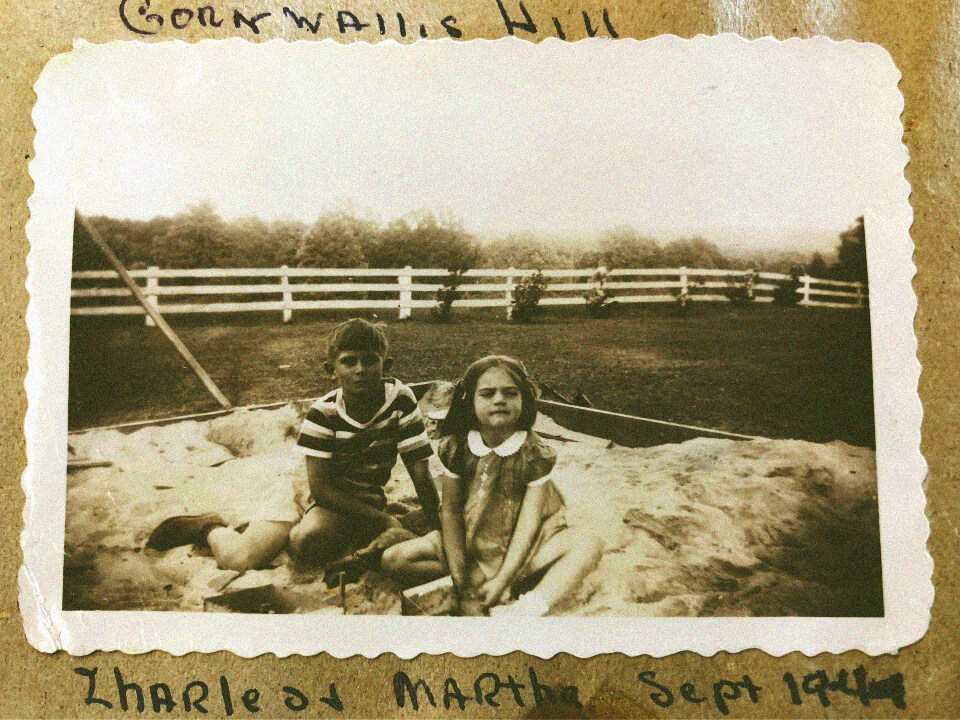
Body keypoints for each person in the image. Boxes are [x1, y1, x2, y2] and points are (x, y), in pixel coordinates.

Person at [146, 319, 440, 571]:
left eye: (369, 360)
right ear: (331, 369)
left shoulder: (400, 400)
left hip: (359, 497)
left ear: (385, 364)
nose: (360, 369)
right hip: (309, 492)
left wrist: (439, 525)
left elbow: (419, 470)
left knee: (317, 545)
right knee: (242, 558)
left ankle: (309, 532)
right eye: (349, 361)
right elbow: (321, 489)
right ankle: (209, 526)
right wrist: (384, 519)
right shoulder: (322, 414)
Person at [381, 355, 603, 616]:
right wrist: (461, 577)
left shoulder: (534, 455)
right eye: (487, 394)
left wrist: (503, 578)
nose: (499, 400)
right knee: (393, 560)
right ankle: (480, 582)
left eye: (510, 393)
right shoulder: (458, 448)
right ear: (469, 401)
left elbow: (528, 525)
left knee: (589, 544)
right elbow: (450, 513)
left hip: (526, 546)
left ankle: (528, 607)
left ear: (524, 399)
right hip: (472, 539)